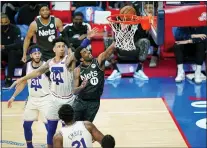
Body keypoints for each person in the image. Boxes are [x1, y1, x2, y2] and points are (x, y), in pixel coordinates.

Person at [10, 28, 98, 147]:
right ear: (54, 49)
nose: (62, 48)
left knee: (66, 130)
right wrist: (21, 79)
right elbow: (37, 72)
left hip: (68, 101)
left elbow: (77, 52)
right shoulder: (50, 62)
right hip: (53, 100)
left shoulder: (68, 60)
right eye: (59, 46)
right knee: (51, 130)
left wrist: (87, 39)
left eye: (63, 46)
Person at [7, 45, 50, 148]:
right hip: (32, 99)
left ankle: (51, 145)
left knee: (49, 126)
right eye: (35, 53)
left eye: (39, 53)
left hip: (46, 98)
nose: (37, 55)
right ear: (31, 55)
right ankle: (29, 146)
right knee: (26, 125)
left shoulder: (46, 66)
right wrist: (13, 97)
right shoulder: (26, 66)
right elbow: (23, 83)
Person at [72, 35, 116, 122]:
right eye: (85, 52)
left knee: (87, 125)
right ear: (81, 59)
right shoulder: (77, 70)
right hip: (80, 101)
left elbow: (108, 51)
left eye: (87, 50)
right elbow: (74, 91)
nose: (88, 52)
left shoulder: (98, 61)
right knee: (73, 124)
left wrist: (118, 37)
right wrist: (81, 87)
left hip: (94, 102)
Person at [1, 13, 24, 88]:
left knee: (12, 52)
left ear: (9, 22)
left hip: (16, 53)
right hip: (3, 53)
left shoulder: (15, 29)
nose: (3, 25)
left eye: (5, 23)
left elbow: (18, 44)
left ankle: (9, 79)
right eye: (1, 23)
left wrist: (5, 46)